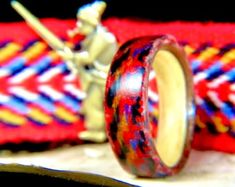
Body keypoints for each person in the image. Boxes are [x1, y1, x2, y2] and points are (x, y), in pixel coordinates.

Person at [11, 1, 118, 142]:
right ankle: (98, 129)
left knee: (94, 105)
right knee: (91, 105)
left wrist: (72, 56)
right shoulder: (94, 36)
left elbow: (89, 57)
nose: (78, 26)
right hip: (98, 77)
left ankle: (98, 132)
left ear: (90, 23)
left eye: (81, 23)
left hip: (103, 79)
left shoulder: (103, 38)